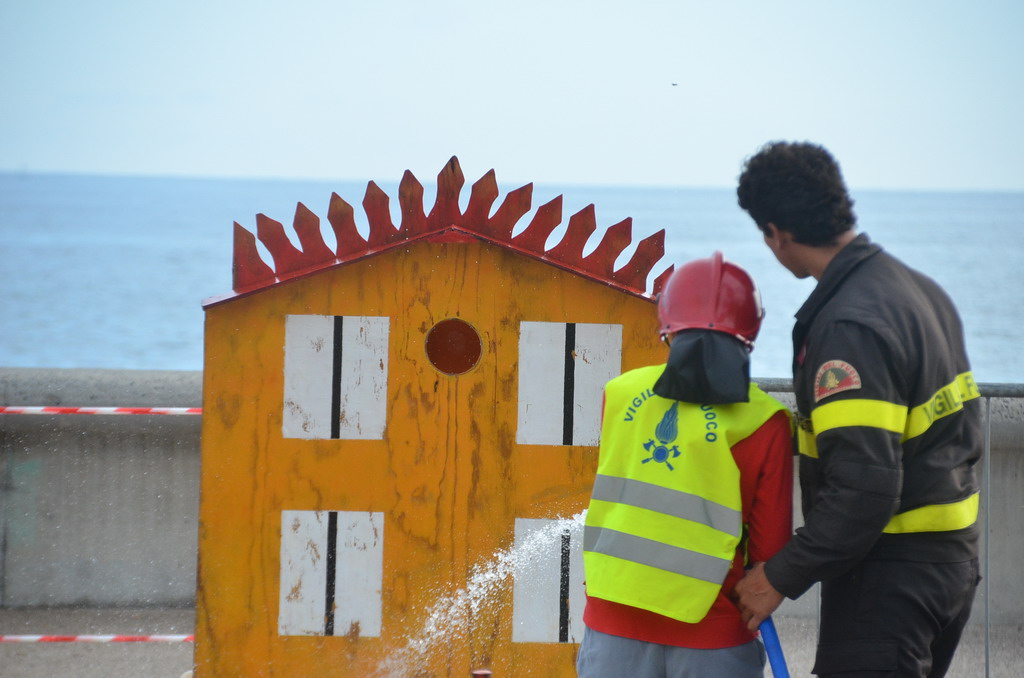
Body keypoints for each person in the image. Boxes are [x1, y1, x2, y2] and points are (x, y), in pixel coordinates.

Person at [732, 141, 982, 678]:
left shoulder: (849, 326)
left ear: (776, 232)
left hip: (890, 583)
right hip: (949, 566)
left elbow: (864, 491)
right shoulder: (919, 291)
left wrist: (778, 576)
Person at [576, 252, 793, 678]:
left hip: (613, 621)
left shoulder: (619, 394)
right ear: (750, 331)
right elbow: (769, 554)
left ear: (667, 324)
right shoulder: (764, 421)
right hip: (713, 633)